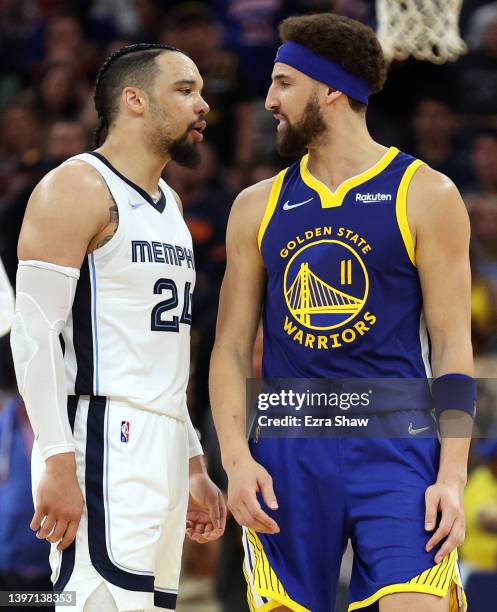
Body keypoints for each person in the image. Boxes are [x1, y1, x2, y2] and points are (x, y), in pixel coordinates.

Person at [210, 13, 473, 612]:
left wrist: (452, 475)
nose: (270, 100)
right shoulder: (257, 206)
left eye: (283, 83)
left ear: (330, 90)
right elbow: (228, 347)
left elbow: (455, 345)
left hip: (398, 444)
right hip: (287, 448)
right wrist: (236, 459)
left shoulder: (426, 192)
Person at [10, 43, 226, 612]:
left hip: (161, 442)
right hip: (102, 436)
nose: (202, 105)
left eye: (200, 92)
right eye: (184, 90)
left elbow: (166, 351)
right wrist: (57, 459)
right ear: (134, 100)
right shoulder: (76, 187)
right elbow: (34, 337)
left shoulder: (171, 205)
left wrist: (192, 460)